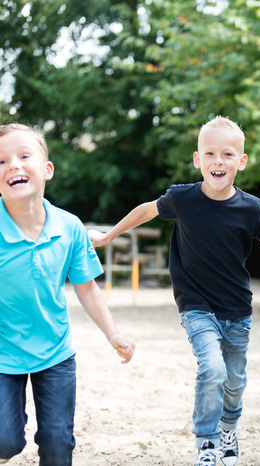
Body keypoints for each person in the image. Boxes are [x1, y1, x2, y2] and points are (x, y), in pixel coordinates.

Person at [88, 116, 260, 466]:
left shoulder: (252, 208)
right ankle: (207, 444)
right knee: (213, 370)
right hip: (196, 306)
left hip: (237, 309)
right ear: (197, 160)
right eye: (210, 154)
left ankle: (228, 430)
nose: (218, 161)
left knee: (234, 382)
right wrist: (107, 236)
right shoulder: (183, 199)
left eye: (227, 154)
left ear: (241, 160)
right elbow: (146, 210)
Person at [0, 123, 135, 465]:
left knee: (59, 445)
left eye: (23, 155)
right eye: (1, 161)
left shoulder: (70, 227)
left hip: (56, 353)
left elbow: (87, 289)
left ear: (47, 170)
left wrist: (113, 333)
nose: (13, 165)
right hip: (3, 355)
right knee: (5, 441)